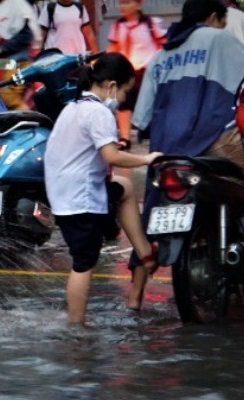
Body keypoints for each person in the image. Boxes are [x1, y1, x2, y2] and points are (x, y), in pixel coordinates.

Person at [128, 0, 244, 309]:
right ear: (213, 17)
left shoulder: (160, 55)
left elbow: (141, 119)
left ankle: (134, 298)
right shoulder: (220, 39)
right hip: (211, 142)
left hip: (165, 153)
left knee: (152, 213)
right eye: (222, 21)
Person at [44, 52, 163, 324]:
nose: (122, 100)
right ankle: (77, 328)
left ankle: (144, 252)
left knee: (123, 187)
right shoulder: (98, 112)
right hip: (80, 200)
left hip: (64, 194)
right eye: (124, 92)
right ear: (111, 86)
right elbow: (112, 156)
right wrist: (146, 158)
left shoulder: (72, 107)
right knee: (83, 264)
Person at [106, 0, 165, 149]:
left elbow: (164, 43)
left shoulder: (150, 24)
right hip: (127, 71)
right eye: (120, 3)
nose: (122, 7)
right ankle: (125, 138)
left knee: (150, 104)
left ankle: (153, 135)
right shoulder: (118, 26)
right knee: (123, 103)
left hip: (147, 71)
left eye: (126, 3)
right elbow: (113, 47)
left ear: (138, 4)